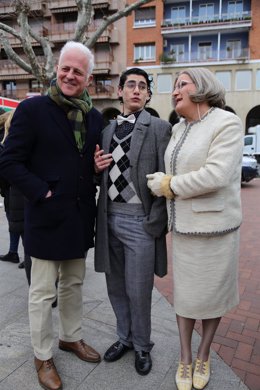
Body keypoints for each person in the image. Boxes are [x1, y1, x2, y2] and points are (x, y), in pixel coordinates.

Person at [0, 41, 103, 390]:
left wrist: (95, 168)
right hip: (44, 216)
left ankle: (70, 337)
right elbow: (9, 161)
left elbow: (87, 165)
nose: (70, 75)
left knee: (74, 284)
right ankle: (43, 355)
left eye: (78, 71)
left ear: (88, 78)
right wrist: (41, 191)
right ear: (56, 69)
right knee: (43, 293)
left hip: (78, 217)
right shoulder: (33, 111)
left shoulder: (95, 116)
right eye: (66, 68)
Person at [147, 67, 243, 390]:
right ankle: (185, 357)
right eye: (174, 86)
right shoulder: (177, 129)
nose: (175, 91)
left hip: (217, 230)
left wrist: (169, 184)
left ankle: (204, 353)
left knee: (212, 297)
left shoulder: (226, 123)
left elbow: (215, 175)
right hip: (184, 229)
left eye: (181, 84)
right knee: (186, 299)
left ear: (201, 88)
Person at [94, 68, 172, 376]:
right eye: (131, 85)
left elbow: (166, 177)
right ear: (121, 91)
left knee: (139, 290)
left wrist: (156, 221)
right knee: (115, 287)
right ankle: (123, 338)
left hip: (140, 221)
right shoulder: (106, 130)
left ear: (148, 94)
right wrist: (94, 168)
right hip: (109, 217)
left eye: (142, 86)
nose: (136, 90)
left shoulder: (159, 128)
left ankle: (142, 346)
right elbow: (100, 174)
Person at [0, 110, 24, 267]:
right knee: (14, 222)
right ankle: (13, 252)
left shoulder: (13, 140)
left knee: (21, 224)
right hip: (10, 189)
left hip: (16, 189)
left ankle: (28, 256)